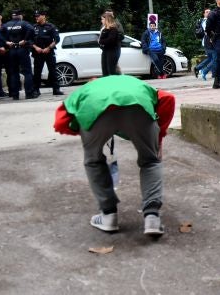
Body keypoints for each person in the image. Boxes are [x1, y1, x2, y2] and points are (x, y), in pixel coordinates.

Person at [53, 75, 175, 237]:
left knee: (93, 161)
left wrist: (85, 135)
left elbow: (61, 119)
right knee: (151, 161)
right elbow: (168, 98)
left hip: (94, 110)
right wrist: (159, 133)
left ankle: (108, 215)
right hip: (138, 106)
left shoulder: (84, 91)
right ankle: (152, 218)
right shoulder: (133, 83)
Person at [1, 9, 38, 100]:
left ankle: (15, 95)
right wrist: (25, 40)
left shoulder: (6, 25)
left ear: (12, 16)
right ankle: (29, 93)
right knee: (27, 72)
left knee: (14, 73)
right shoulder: (24, 24)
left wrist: (6, 42)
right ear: (20, 16)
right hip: (22, 49)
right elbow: (32, 30)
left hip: (12, 50)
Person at [31, 9, 63, 95]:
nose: (36, 17)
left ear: (44, 16)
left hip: (49, 52)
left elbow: (57, 39)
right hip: (38, 53)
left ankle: (56, 89)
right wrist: (35, 47)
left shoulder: (51, 26)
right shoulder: (33, 27)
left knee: (52, 71)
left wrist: (48, 48)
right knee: (37, 72)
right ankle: (36, 90)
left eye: (38, 16)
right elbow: (29, 41)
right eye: (35, 16)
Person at [98, 12, 122, 76]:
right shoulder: (104, 29)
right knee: (104, 70)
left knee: (111, 70)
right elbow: (100, 40)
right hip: (105, 51)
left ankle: (115, 84)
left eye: (102, 19)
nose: (101, 21)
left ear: (107, 20)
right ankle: (107, 84)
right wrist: (102, 42)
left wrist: (102, 41)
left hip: (112, 52)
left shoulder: (113, 29)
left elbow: (110, 40)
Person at [192, 8, 212, 78]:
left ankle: (197, 68)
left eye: (210, 12)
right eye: (207, 12)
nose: (209, 13)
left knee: (210, 58)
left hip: (207, 41)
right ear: (204, 14)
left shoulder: (207, 20)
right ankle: (205, 71)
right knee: (214, 58)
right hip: (208, 41)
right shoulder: (205, 21)